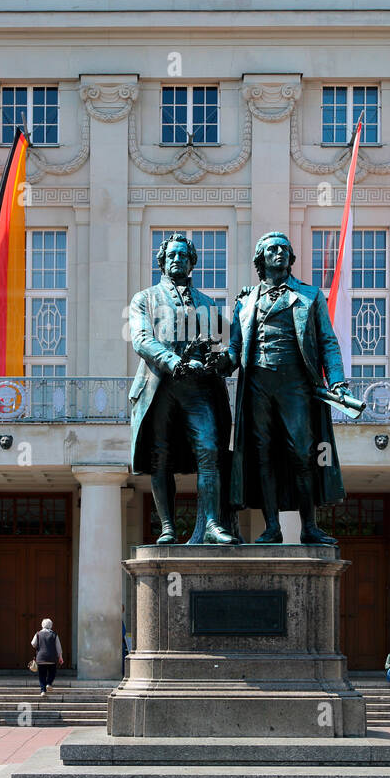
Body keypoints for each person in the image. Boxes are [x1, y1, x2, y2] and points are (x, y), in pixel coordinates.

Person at [218, 230, 348, 544]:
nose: (279, 253)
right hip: (258, 385)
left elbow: (328, 343)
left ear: (290, 259)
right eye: (272, 249)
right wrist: (220, 362)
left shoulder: (309, 296)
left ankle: (309, 527)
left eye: (284, 250)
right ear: (261, 258)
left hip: (296, 385)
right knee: (263, 455)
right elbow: (235, 347)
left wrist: (338, 381)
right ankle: (272, 527)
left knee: (303, 453)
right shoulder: (246, 301)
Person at [129, 232, 235, 545]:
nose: (177, 260)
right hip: (160, 386)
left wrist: (221, 361)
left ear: (191, 263)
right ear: (161, 262)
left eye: (183, 255)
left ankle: (212, 525)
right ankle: (167, 527)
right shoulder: (144, 299)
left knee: (209, 450)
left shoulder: (206, 302)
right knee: (160, 457)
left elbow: (220, 346)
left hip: (198, 389)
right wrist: (175, 362)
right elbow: (142, 340)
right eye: (171, 255)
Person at [30, 618, 63, 696]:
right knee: (52, 673)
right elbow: (58, 647)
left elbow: (33, 644)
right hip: (52, 658)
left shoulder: (38, 634)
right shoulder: (54, 635)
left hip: (41, 658)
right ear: (51, 625)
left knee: (42, 675)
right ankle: (49, 683)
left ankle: (43, 691)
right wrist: (60, 657)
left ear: (42, 625)